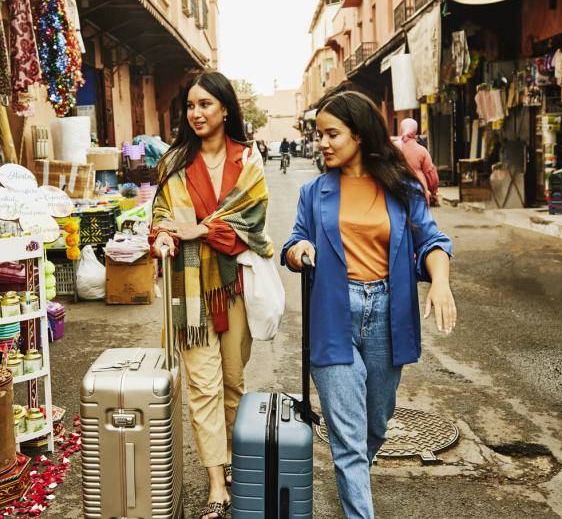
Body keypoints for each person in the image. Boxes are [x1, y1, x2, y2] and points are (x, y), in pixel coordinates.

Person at [284, 91, 457, 519]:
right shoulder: (314, 191)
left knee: (376, 423)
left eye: (331, 134)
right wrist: (299, 249)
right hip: (333, 314)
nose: (321, 142)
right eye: (318, 134)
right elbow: (293, 242)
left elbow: (431, 241)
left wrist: (440, 283)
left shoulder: (401, 187)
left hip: (386, 314)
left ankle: (357, 467)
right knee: (346, 436)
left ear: (358, 135)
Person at [150, 72, 273, 519]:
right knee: (203, 385)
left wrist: (201, 229)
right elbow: (162, 217)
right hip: (189, 291)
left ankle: (234, 463)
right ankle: (216, 483)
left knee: (233, 383)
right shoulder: (174, 163)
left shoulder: (249, 162)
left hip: (234, 286)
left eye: (205, 104)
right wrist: (163, 237)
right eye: (190, 105)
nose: (196, 113)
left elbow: (253, 225)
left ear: (225, 108)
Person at [393, 118, 440, 205]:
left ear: (401, 129)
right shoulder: (422, 150)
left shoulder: (393, 148)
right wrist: (433, 191)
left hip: (396, 190)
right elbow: (431, 174)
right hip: (419, 191)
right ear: (415, 130)